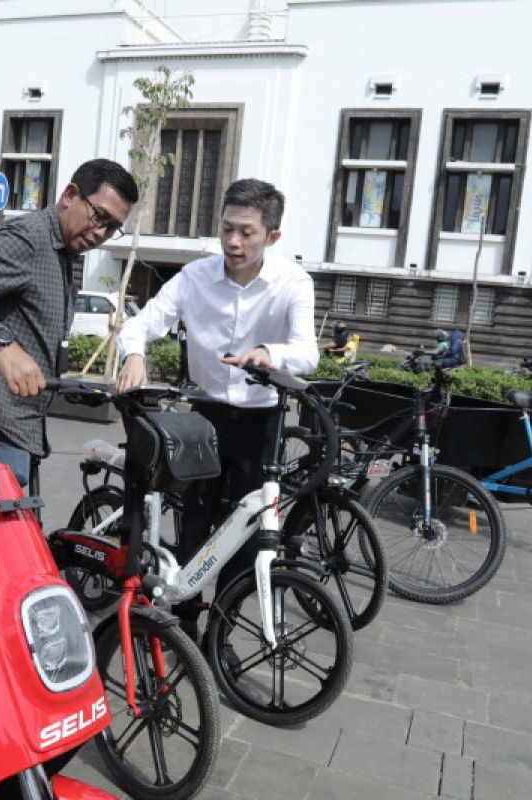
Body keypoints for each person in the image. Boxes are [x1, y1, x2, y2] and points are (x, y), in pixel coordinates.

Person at [115, 177, 318, 638]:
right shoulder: (195, 276)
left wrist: (271, 352)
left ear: (273, 236)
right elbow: (144, 321)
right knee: (195, 527)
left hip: (260, 421)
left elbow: (308, 351)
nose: (233, 241)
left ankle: (219, 639)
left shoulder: (292, 282)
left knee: (244, 538)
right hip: (202, 418)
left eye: (246, 232)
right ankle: (180, 628)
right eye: (227, 228)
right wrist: (135, 353)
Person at [0, 158, 139, 485]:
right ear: (70, 195)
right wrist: (3, 346)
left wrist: (73, 386)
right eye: (99, 216)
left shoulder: (64, 253)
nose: (101, 232)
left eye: (112, 227)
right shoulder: (29, 237)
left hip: (20, 433)